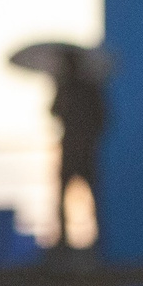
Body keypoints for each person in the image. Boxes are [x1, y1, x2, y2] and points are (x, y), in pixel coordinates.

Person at [51, 51, 107, 250]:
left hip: (83, 152)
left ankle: (97, 242)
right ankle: (64, 241)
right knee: (65, 197)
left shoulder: (89, 88)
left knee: (91, 196)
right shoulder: (67, 88)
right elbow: (54, 111)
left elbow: (102, 119)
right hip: (73, 152)